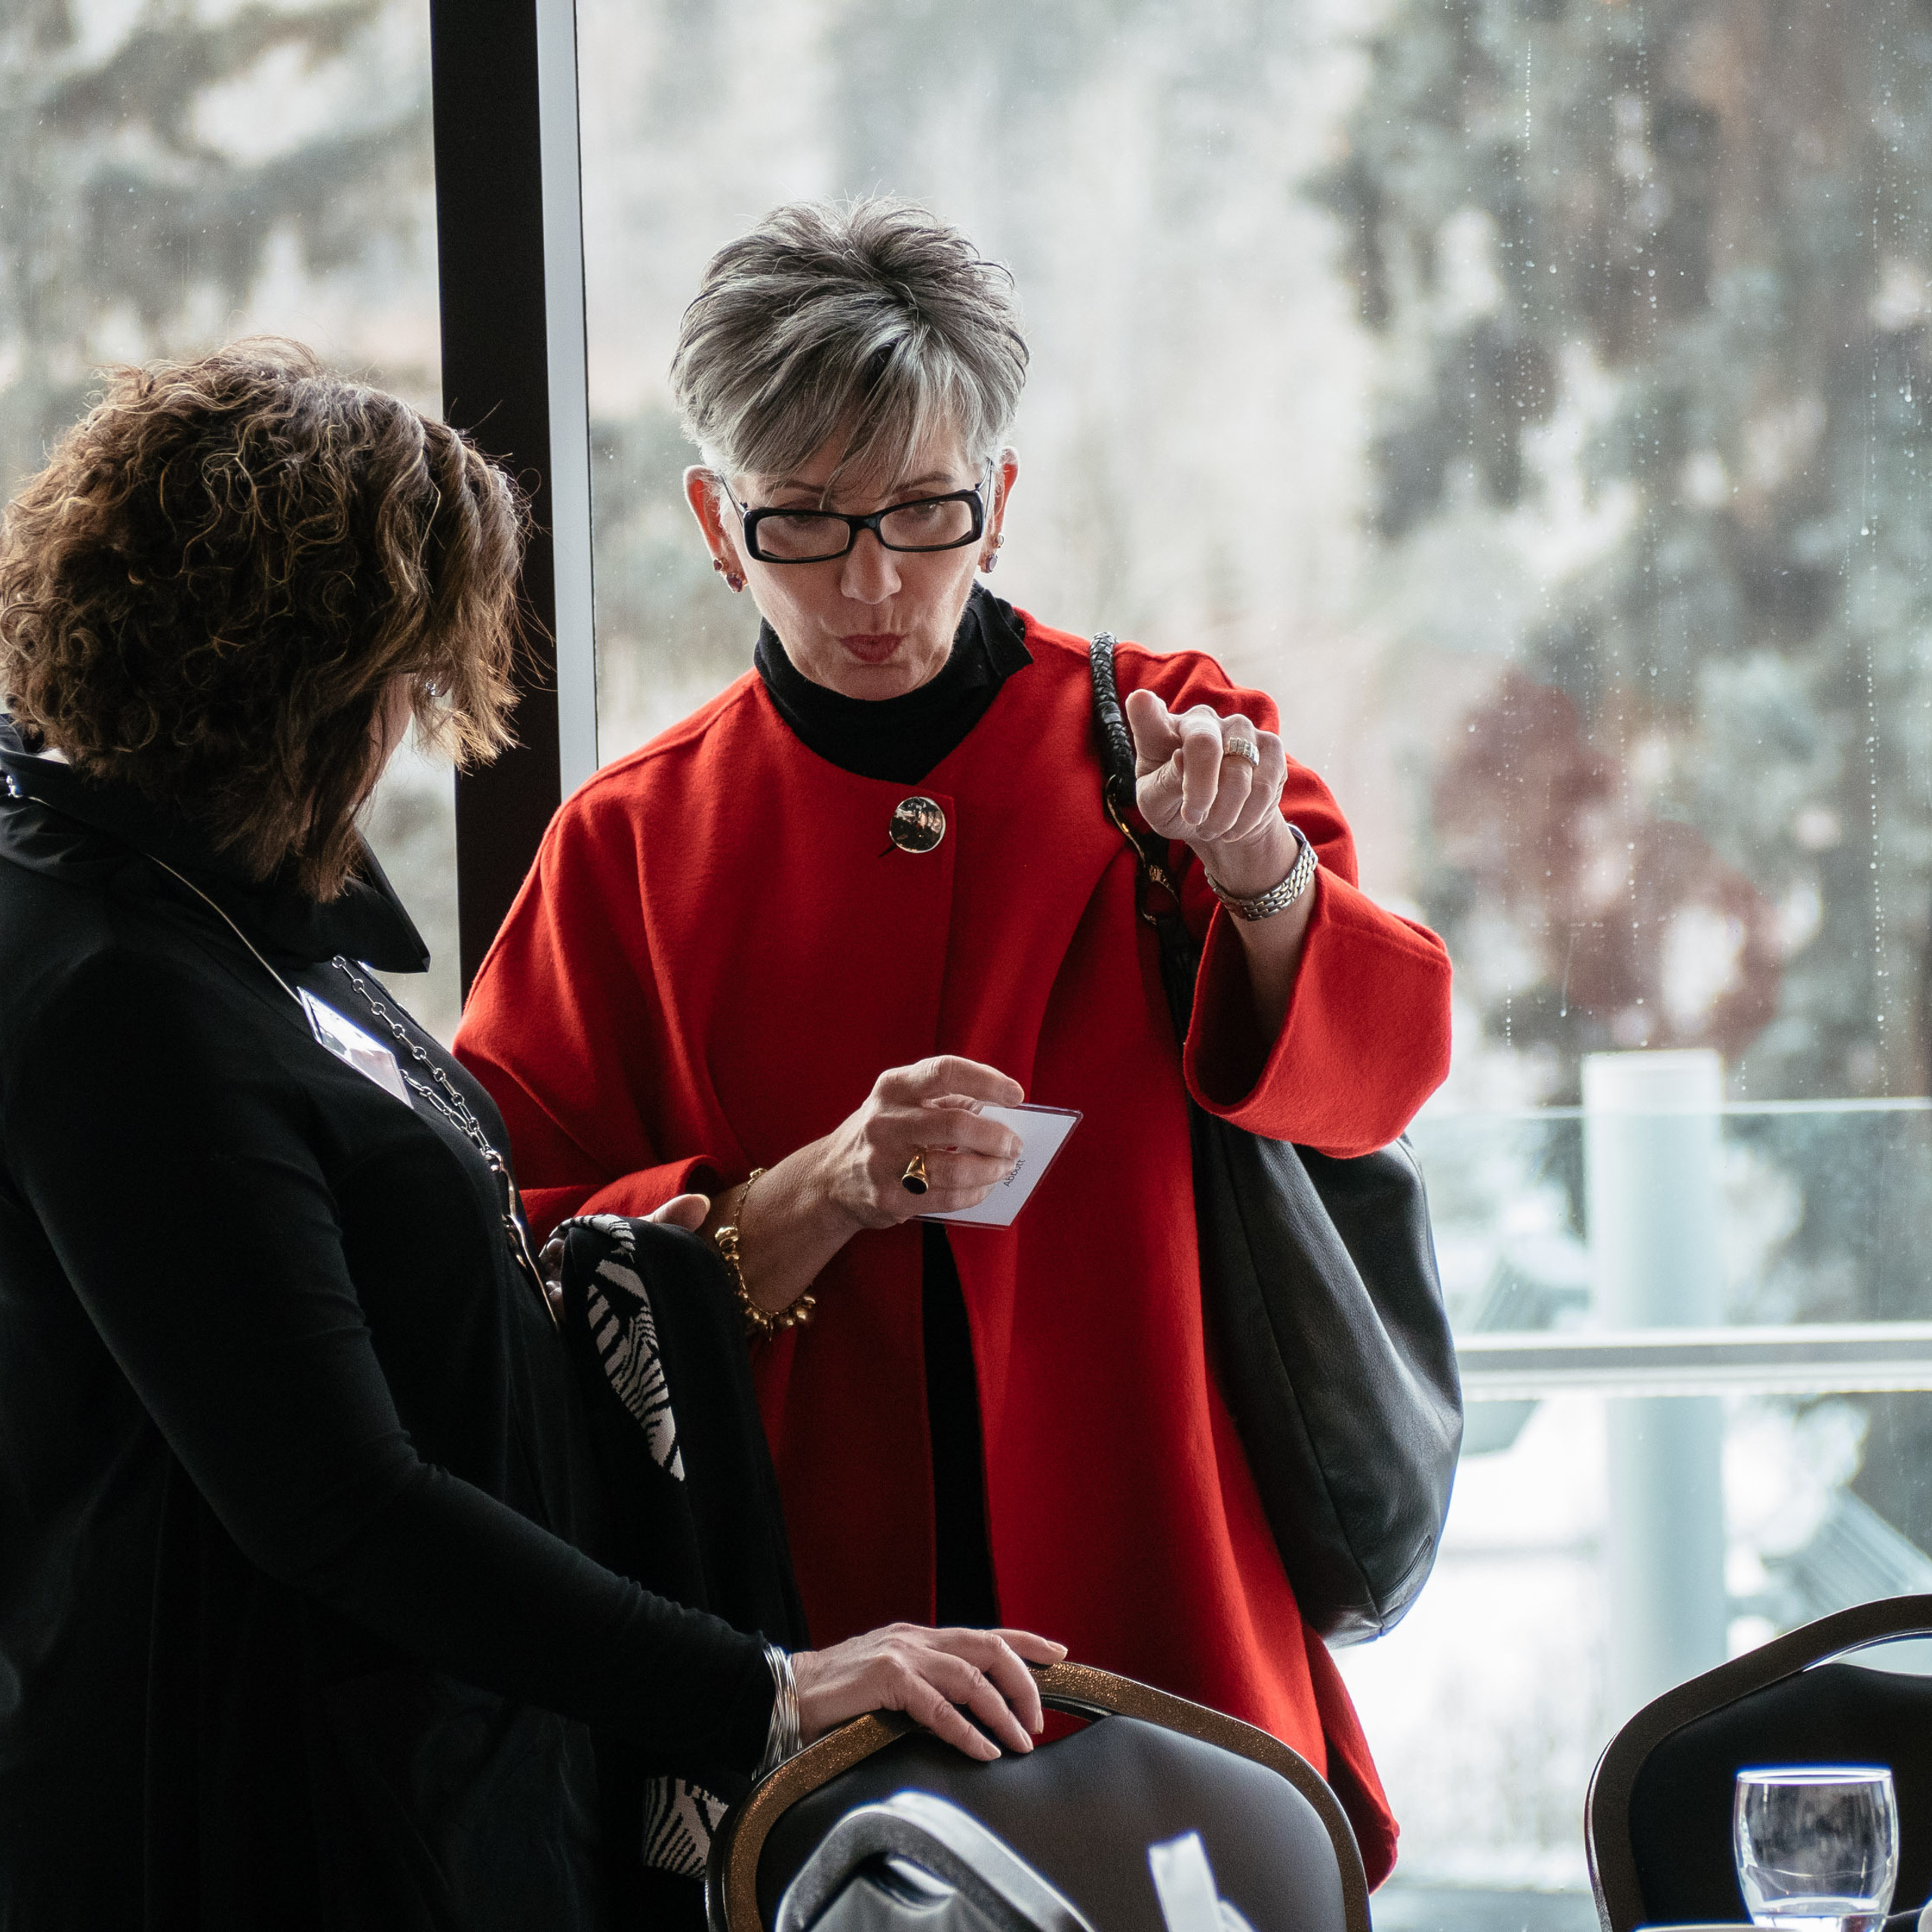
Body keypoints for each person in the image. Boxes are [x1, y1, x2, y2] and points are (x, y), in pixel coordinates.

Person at [0, 340, 1064, 1931]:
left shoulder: (231, 906)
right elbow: (336, 1501)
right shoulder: (115, 990)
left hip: (416, 1760)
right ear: (298, 677)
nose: (424, 715)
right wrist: (765, 1687)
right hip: (256, 1813)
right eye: (409, 674)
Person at [454, 199, 1454, 1886]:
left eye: (923, 511)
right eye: (806, 524)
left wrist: (1262, 874)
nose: (871, 580)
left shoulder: (1165, 738)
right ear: (714, 522)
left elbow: (1389, 1065)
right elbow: (511, 1264)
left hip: (1169, 1594)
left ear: (999, 497)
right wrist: (811, 1190)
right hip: (814, 1656)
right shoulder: (630, 846)